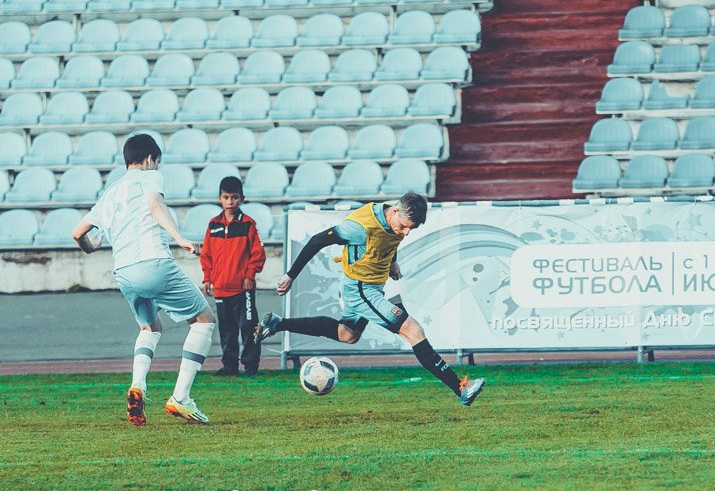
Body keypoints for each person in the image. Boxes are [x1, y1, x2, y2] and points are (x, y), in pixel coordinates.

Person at [254, 192, 485, 406]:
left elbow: (388, 239)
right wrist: (290, 276)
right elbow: (317, 241)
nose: (405, 233)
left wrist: (392, 261)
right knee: (413, 331)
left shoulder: (394, 219)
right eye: (404, 226)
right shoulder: (359, 228)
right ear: (395, 211)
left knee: (347, 334)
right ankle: (460, 388)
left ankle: (278, 324)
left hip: (370, 287)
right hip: (361, 290)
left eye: (411, 229)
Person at [71, 133, 214, 426]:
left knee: (150, 327)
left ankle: (138, 387)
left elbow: (77, 233)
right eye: (156, 162)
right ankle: (181, 398)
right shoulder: (150, 177)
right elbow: (155, 205)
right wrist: (180, 239)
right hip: (153, 263)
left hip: (124, 273)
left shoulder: (110, 192)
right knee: (204, 320)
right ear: (150, 159)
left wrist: (91, 247)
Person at [200, 176, 267, 377]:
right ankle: (230, 366)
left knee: (248, 327)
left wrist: (250, 275)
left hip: (243, 288)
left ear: (242, 199)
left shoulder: (248, 224)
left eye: (235, 197)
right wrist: (207, 277)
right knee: (227, 329)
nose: (230, 202)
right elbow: (206, 255)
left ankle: (251, 365)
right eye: (226, 197)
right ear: (219, 198)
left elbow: (258, 254)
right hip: (221, 288)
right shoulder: (213, 225)